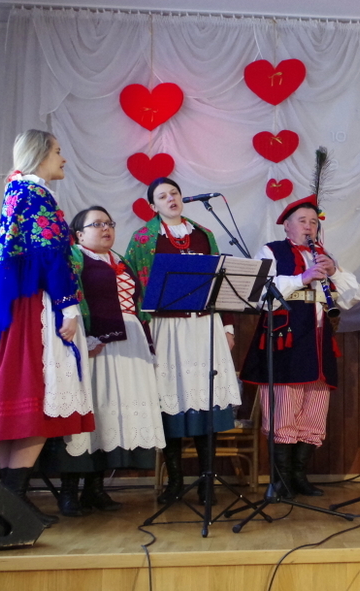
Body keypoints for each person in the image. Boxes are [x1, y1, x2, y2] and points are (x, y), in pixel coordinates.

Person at [0, 129, 94, 526]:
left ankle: (8, 500)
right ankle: (13, 499)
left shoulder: (17, 191)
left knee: (17, 400)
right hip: (35, 304)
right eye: (58, 151)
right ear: (40, 155)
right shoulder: (35, 194)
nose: (63, 158)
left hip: (11, 304)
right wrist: (68, 307)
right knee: (40, 396)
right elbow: (50, 254)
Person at [42, 207, 167, 516]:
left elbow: (137, 303)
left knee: (110, 416)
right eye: (97, 224)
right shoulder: (73, 258)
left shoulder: (120, 260)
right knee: (89, 411)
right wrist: (86, 338)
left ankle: (95, 489)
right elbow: (67, 298)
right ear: (79, 234)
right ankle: (68, 492)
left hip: (129, 341)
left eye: (109, 223)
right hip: (94, 343)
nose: (106, 228)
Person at [125, 177, 240, 505]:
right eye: (162, 196)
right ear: (153, 206)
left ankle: (207, 480)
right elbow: (134, 290)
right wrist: (144, 333)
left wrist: (228, 327)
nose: (170, 199)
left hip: (205, 326)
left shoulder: (204, 234)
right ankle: (175, 481)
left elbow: (220, 283)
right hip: (167, 328)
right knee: (170, 400)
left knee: (207, 401)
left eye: (174, 193)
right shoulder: (143, 239)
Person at [240, 195, 360, 497]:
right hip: (286, 340)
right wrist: (301, 278)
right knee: (283, 412)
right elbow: (258, 293)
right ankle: (280, 481)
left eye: (314, 222)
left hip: (318, 341)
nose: (309, 227)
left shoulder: (325, 256)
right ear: (287, 226)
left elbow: (353, 296)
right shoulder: (271, 251)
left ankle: (298, 477)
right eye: (302, 221)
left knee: (314, 412)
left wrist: (334, 272)